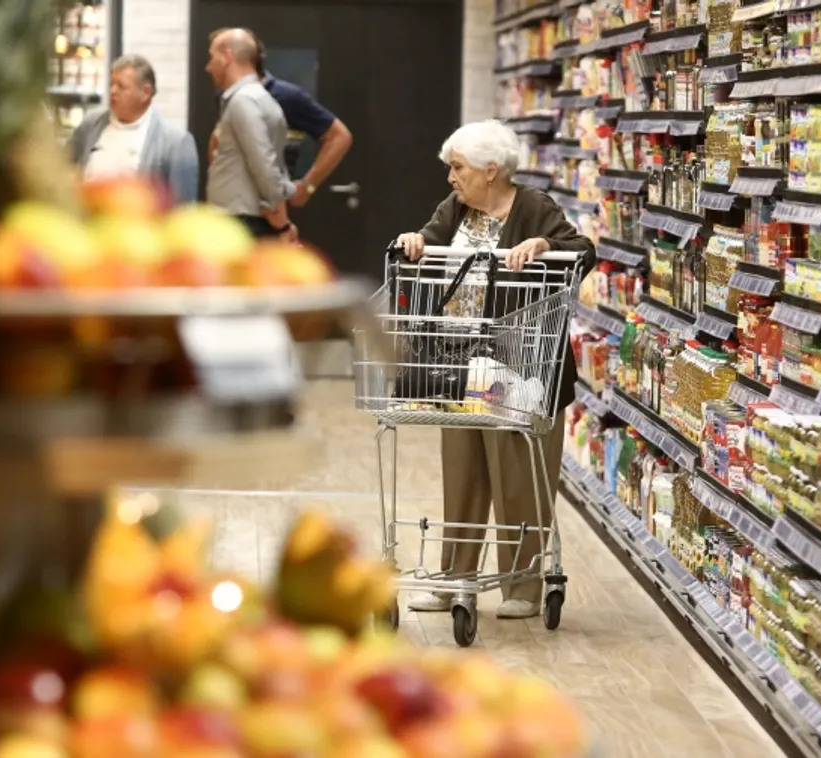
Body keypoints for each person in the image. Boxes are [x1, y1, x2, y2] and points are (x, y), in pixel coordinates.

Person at [393, 119, 595, 620]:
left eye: (456, 168)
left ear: (490, 171)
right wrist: (414, 241)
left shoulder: (533, 207)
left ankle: (521, 585)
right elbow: (427, 238)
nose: (450, 178)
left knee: (517, 473)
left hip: (523, 365)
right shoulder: (456, 207)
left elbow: (583, 251)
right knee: (462, 472)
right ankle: (454, 578)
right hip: (459, 361)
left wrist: (545, 246)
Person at [203, 28, 297, 239]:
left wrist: (280, 220)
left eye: (212, 57)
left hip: (243, 225)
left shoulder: (243, 101)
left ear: (227, 57)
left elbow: (262, 163)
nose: (208, 67)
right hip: (247, 222)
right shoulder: (261, 98)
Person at [68, 55, 199, 204]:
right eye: (111, 84)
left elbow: (183, 206)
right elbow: (65, 166)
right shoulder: (91, 124)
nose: (112, 91)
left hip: (141, 225)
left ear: (146, 93)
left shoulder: (175, 141)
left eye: (121, 86)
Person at [250, 32, 353, 209]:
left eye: (215, 57)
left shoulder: (285, 96)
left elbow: (339, 137)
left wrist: (307, 186)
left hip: (272, 209)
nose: (209, 67)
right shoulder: (230, 98)